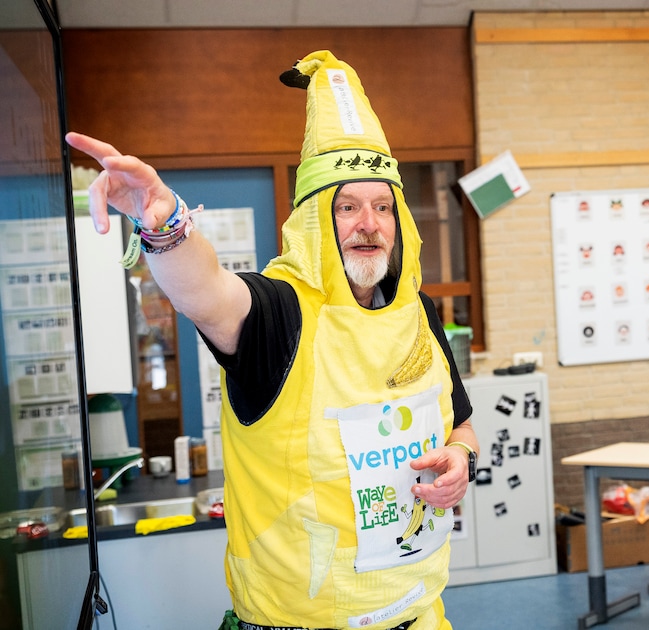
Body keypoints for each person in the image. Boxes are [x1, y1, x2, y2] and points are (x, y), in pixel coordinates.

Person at [68, 50, 478, 630]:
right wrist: (164, 225)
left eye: (384, 206)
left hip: (420, 613)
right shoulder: (278, 313)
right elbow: (206, 292)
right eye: (348, 207)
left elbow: (460, 424)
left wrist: (462, 457)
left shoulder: (418, 312)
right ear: (314, 218)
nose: (370, 223)